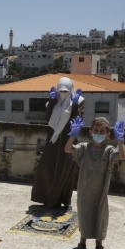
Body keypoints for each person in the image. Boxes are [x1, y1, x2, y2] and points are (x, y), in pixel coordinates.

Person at [64, 116, 125, 249]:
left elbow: (122, 156)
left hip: (101, 192)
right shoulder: (84, 148)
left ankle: (99, 243)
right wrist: (73, 135)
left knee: (100, 215)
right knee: (84, 214)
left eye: (102, 131)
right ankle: (82, 241)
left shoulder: (109, 150)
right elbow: (68, 149)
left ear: (107, 134)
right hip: (84, 190)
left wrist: (120, 140)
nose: (99, 133)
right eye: (96, 130)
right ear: (90, 132)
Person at [31, 77, 84, 209]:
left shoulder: (79, 101)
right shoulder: (52, 103)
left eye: (66, 91)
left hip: (68, 141)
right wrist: (52, 102)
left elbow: (77, 120)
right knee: (47, 168)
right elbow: (49, 119)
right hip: (53, 141)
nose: (63, 93)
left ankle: (62, 199)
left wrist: (75, 106)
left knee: (64, 171)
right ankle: (46, 198)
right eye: (61, 91)